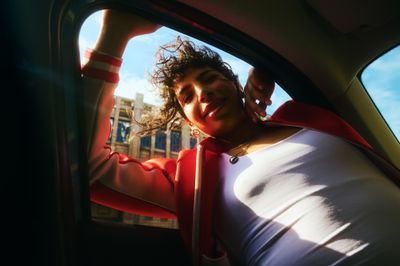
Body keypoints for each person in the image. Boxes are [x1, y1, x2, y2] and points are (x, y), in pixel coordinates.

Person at [82, 10, 400, 266]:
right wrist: (114, 34)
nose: (203, 92)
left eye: (209, 80)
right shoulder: (192, 179)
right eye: (187, 96)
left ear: (235, 85)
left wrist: (266, 64)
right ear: (191, 124)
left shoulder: (305, 114)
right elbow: (87, 168)